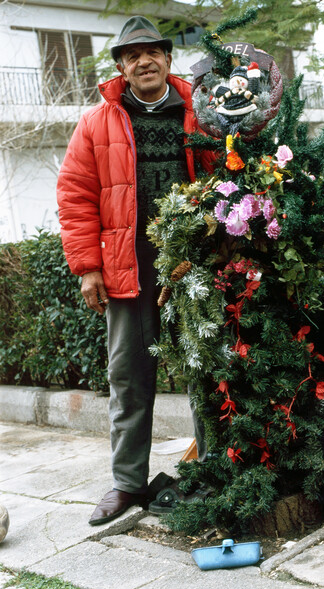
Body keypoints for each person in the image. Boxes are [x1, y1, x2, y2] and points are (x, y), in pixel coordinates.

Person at [57, 16, 215, 526]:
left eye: (153, 52)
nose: (144, 61)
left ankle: (216, 469)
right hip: (129, 262)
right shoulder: (96, 123)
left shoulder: (203, 112)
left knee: (207, 365)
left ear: (168, 59)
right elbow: (76, 197)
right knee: (127, 374)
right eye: (132, 55)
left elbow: (228, 177)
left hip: (196, 258)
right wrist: (87, 267)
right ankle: (128, 483)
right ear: (122, 68)